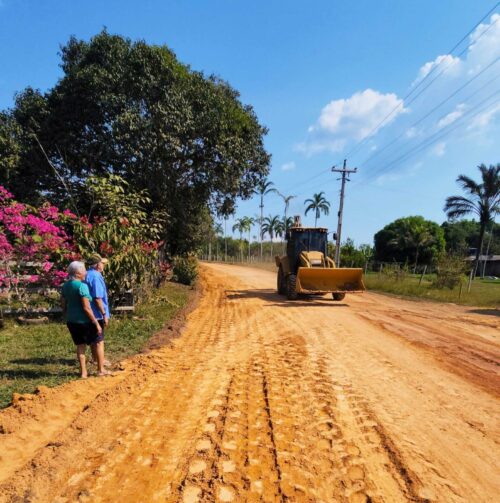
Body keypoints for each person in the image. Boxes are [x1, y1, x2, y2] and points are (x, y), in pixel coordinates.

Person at [61, 261, 105, 378]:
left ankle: (83, 373)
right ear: (78, 272)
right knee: (97, 342)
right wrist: (96, 323)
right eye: (84, 270)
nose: (86, 272)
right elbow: (86, 308)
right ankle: (100, 370)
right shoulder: (82, 286)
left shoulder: (65, 286)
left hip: (71, 321)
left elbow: (63, 305)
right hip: (84, 321)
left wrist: (66, 316)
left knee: (80, 347)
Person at [85, 254, 111, 366]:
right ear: (97, 265)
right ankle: (100, 361)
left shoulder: (87, 274)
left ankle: (95, 358)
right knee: (99, 339)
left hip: (89, 312)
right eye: (102, 263)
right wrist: (104, 313)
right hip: (97, 313)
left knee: (93, 338)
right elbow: (97, 298)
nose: (103, 265)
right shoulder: (96, 276)